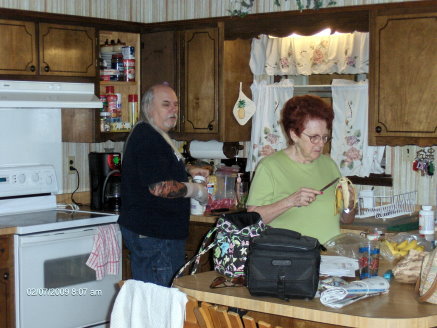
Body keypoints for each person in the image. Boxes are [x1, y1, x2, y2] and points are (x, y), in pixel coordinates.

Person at [118, 84, 209, 287]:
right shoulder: (148, 138)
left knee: (154, 298)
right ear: (149, 108)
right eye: (166, 104)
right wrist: (196, 190)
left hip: (155, 234)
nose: (173, 110)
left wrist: (188, 170)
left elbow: (159, 168)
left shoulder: (154, 134)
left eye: (175, 105)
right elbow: (159, 187)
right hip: (156, 236)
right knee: (160, 300)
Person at [246, 95, 355, 244]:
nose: (320, 144)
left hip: (328, 259)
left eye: (324, 137)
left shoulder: (329, 166)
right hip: (289, 260)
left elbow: (345, 219)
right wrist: (290, 201)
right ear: (294, 135)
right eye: (314, 137)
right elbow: (251, 220)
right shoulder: (269, 167)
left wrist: (349, 206)